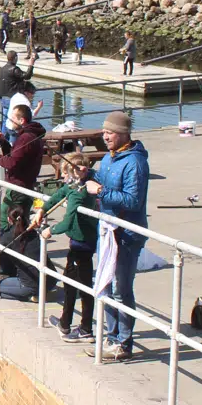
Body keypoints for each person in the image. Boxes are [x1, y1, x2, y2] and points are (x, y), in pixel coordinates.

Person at [84, 111, 150, 362]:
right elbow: (103, 178)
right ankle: (111, 337)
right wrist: (88, 175)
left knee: (121, 289)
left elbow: (133, 200)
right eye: (104, 131)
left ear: (122, 134)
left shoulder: (135, 162)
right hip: (107, 230)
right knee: (105, 285)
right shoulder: (110, 158)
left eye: (108, 132)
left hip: (126, 234)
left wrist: (99, 190)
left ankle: (123, 342)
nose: (104, 136)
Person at [38, 153, 99, 340]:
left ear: (74, 172)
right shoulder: (75, 186)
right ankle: (65, 323)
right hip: (78, 244)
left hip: (82, 245)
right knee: (69, 282)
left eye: (65, 173)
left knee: (84, 286)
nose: (63, 177)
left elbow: (68, 221)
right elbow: (59, 194)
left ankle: (86, 328)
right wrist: (42, 209)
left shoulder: (78, 193)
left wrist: (50, 230)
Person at [0, 102, 48, 224]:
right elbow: (16, 157)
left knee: (5, 220)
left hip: (20, 187)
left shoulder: (26, 138)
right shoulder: (28, 135)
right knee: (15, 221)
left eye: (13, 118)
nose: (10, 120)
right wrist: (3, 141)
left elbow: (12, 163)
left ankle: (11, 241)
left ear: (22, 120)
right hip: (22, 185)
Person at [0, 51, 38, 119]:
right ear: (15, 58)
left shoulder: (3, 68)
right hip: (12, 98)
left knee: (5, 118)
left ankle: (4, 129)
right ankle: (10, 129)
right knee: (12, 118)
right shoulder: (14, 69)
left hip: (3, 97)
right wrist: (31, 65)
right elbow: (27, 76)